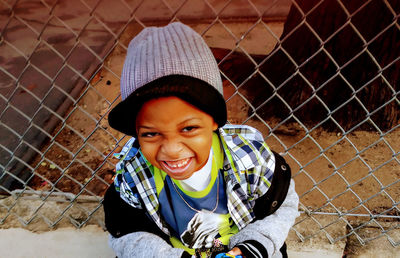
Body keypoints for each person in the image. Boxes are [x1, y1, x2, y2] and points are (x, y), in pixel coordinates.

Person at [103, 22, 299, 258]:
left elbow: (282, 208)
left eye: (188, 128)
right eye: (151, 133)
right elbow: (125, 233)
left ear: (214, 120)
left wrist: (253, 247)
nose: (172, 150)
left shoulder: (250, 159)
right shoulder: (134, 175)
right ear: (136, 131)